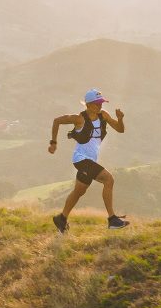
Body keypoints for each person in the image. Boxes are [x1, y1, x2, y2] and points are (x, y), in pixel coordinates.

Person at [48, 88, 129, 232]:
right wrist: (53, 143)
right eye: (97, 103)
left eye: (101, 103)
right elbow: (56, 121)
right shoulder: (80, 118)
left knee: (79, 191)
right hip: (81, 159)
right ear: (89, 104)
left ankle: (61, 218)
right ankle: (112, 220)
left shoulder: (104, 115)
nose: (100, 106)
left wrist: (120, 119)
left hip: (89, 160)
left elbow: (120, 129)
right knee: (108, 179)